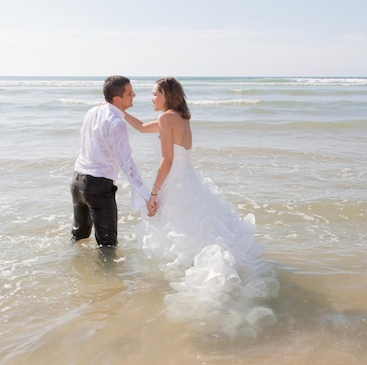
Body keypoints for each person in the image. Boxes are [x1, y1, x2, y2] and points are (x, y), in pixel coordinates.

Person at [124, 77, 279, 339]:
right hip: (190, 182)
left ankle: (187, 280)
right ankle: (199, 272)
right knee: (196, 232)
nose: (151, 98)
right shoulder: (181, 118)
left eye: (154, 94)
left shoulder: (165, 119)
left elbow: (167, 161)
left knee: (180, 234)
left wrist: (153, 193)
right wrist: (120, 111)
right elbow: (139, 127)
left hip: (175, 184)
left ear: (166, 96)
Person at [70, 75, 155, 249]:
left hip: (77, 181)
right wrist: (145, 194)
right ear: (117, 99)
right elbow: (126, 163)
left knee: (78, 236)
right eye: (130, 93)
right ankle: (108, 276)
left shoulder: (92, 112)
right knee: (107, 245)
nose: (134, 95)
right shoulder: (117, 123)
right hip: (97, 187)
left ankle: (71, 270)